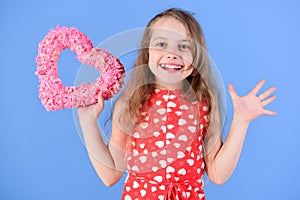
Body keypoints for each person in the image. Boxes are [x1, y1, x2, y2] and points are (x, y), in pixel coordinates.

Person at [77, 8, 276, 200]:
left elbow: (218, 174)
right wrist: (87, 121)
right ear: (147, 53)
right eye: (161, 44)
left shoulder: (204, 104)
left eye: (184, 46)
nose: (172, 54)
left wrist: (241, 121)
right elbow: (110, 175)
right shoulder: (130, 104)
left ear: (197, 57)